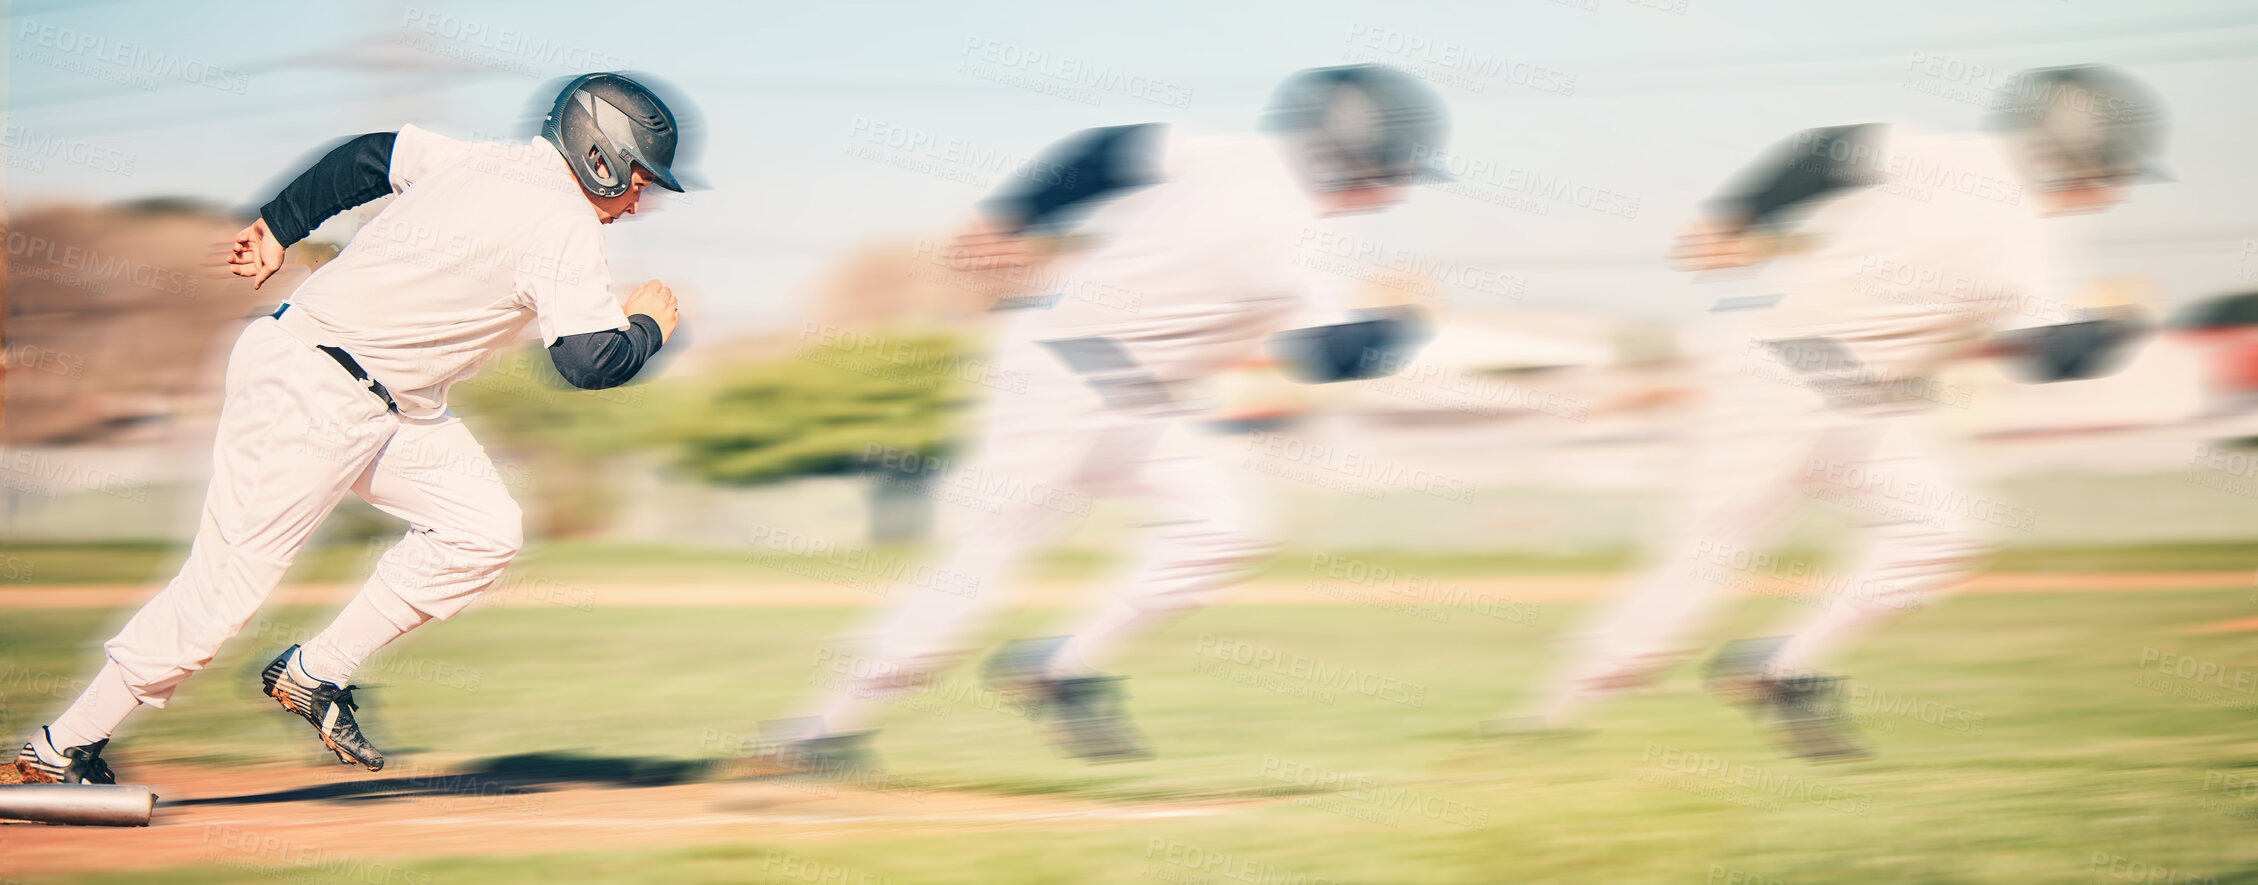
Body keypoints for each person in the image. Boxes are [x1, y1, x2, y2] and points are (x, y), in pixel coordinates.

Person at [756, 64, 1449, 771]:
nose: (1398, 186)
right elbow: (1323, 358)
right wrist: (1401, 326)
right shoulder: (1302, 239)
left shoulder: (1223, 153)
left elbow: (1107, 150)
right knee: (983, 560)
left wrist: (1016, 214)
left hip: (1127, 396)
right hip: (1057, 380)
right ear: (1359, 157)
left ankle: (1055, 665)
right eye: (1399, 168)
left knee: (1223, 526)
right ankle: (818, 730)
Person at [14, 73, 691, 785]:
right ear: (600, 159)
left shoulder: (479, 159)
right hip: (310, 395)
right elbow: (589, 361)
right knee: (220, 594)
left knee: (483, 529)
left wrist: (280, 224)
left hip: (386, 401)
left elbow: (370, 156)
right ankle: (63, 745)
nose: (641, 199)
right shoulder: (566, 224)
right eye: (641, 179)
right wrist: (648, 327)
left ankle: (314, 674)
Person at [1498, 65, 2168, 759]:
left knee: (1940, 525)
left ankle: (1776, 668)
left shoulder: (1943, 153)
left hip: (1844, 390)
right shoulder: (2027, 236)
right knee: (1704, 561)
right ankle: (1541, 724)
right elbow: (2051, 361)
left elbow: (1828, 149)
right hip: (1780, 377)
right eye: (2115, 169)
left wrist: (1740, 214)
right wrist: (2118, 326)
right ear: (2077, 154)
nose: (2115, 190)